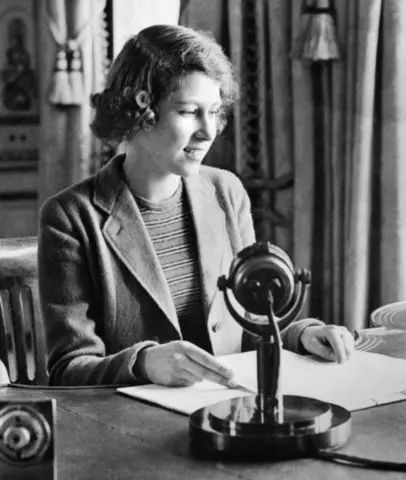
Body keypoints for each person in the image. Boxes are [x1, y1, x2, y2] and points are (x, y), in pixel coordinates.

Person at [38, 24, 355, 387]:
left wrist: (302, 335)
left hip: (228, 410)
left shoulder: (226, 191)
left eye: (215, 112)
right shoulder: (70, 216)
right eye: (189, 112)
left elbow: (249, 324)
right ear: (138, 112)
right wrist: (143, 364)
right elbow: (68, 368)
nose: (209, 132)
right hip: (131, 427)